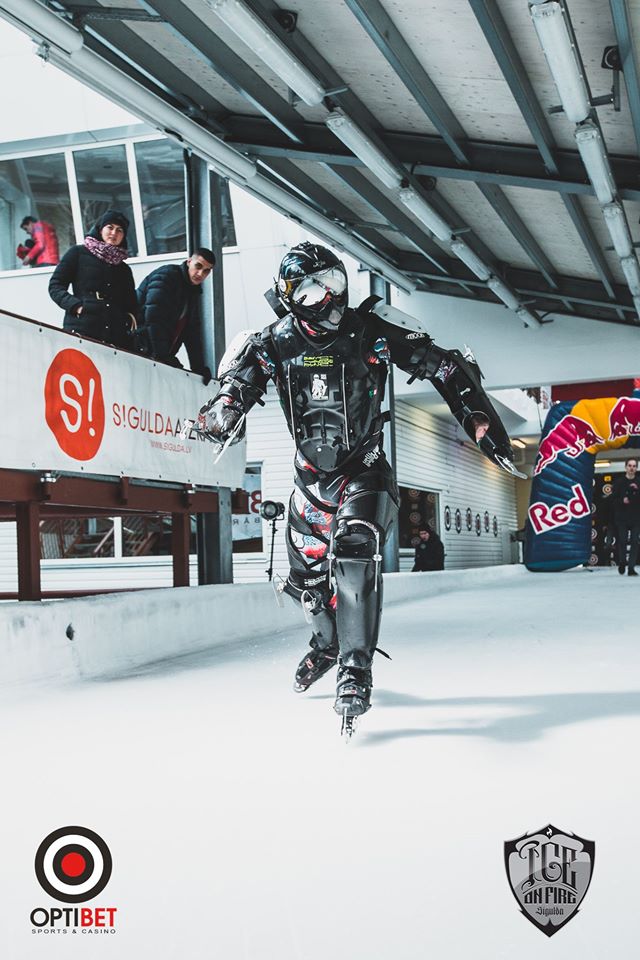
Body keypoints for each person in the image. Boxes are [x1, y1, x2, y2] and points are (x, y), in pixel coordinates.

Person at [195, 242, 516, 732]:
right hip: (308, 480)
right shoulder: (272, 342)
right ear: (288, 297)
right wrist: (223, 411)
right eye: (310, 290)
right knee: (305, 584)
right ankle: (326, 648)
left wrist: (478, 418)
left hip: (364, 471)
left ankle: (355, 669)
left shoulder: (371, 329)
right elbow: (235, 383)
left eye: (334, 285)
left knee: (354, 548)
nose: (327, 300)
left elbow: (444, 364)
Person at [48, 210, 137, 350]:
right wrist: (76, 306)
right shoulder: (77, 253)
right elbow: (55, 286)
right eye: (110, 227)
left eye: (120, 230)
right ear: (100, 229)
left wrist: (124, 321)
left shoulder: (123, 268)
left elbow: (131, 304)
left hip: (115, 338)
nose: (114, 233)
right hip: (82, 329)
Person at [135, 249, 214, 382]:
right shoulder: (166, 277)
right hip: (138, 350)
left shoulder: (192, 292)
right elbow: (153, 319)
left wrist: (198, 368)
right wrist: (163, 356)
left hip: (154, 355)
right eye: (198, 266)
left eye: (206, 270)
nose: (200, 273)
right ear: (189, 262)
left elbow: (192, 333)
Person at [613, 457, 640, 576]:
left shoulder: (639, 481)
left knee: (635, 542)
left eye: (634, 466)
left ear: (637, 468)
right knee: (622, 541)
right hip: (622, 517)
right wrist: (622, 500)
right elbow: (613, 500)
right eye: (630, 465)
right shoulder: (619, 482)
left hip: (636, 517)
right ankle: (622, 562)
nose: (632, 468)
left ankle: (631, 568)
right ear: (625, 467)